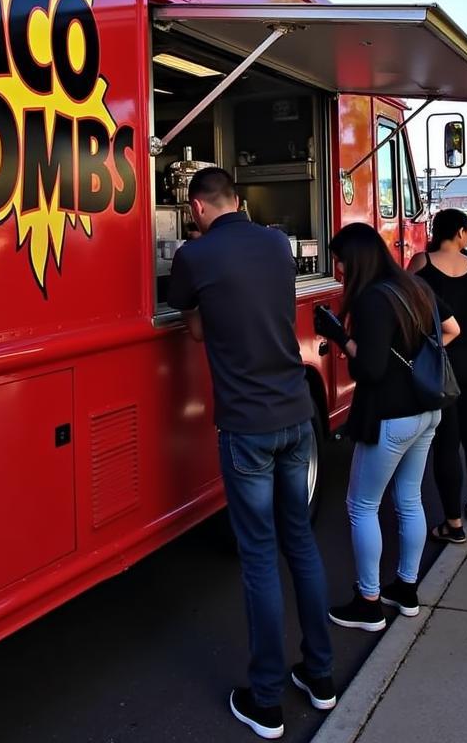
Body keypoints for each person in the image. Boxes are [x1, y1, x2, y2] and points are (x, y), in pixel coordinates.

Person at [167, 167, 334, 738]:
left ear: (196, 208)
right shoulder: (276, 243)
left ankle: (265, 701)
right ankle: (321, 675)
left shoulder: (195, 256)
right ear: (237, 199)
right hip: (295, 414)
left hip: (247, 427)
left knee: (260, 558)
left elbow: (191, 328)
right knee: (302, 547)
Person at [325, 223, 459, 631]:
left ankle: (368, 602)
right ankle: (405, 587)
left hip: (389, 415)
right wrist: (420, 361)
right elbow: (452, 330)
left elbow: (370, 368)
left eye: (341, 261)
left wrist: (337, 336)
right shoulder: (414, 286)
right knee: (409, 499)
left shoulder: (371, 300)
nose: (339, 270)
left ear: (357, 260)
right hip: (427, 409)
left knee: (362, 505)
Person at [410, 209, 467, 542]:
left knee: (447, 440)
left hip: (444, 359)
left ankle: (453, 523)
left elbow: (405, 300)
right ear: (459, 232)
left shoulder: (421, 263)